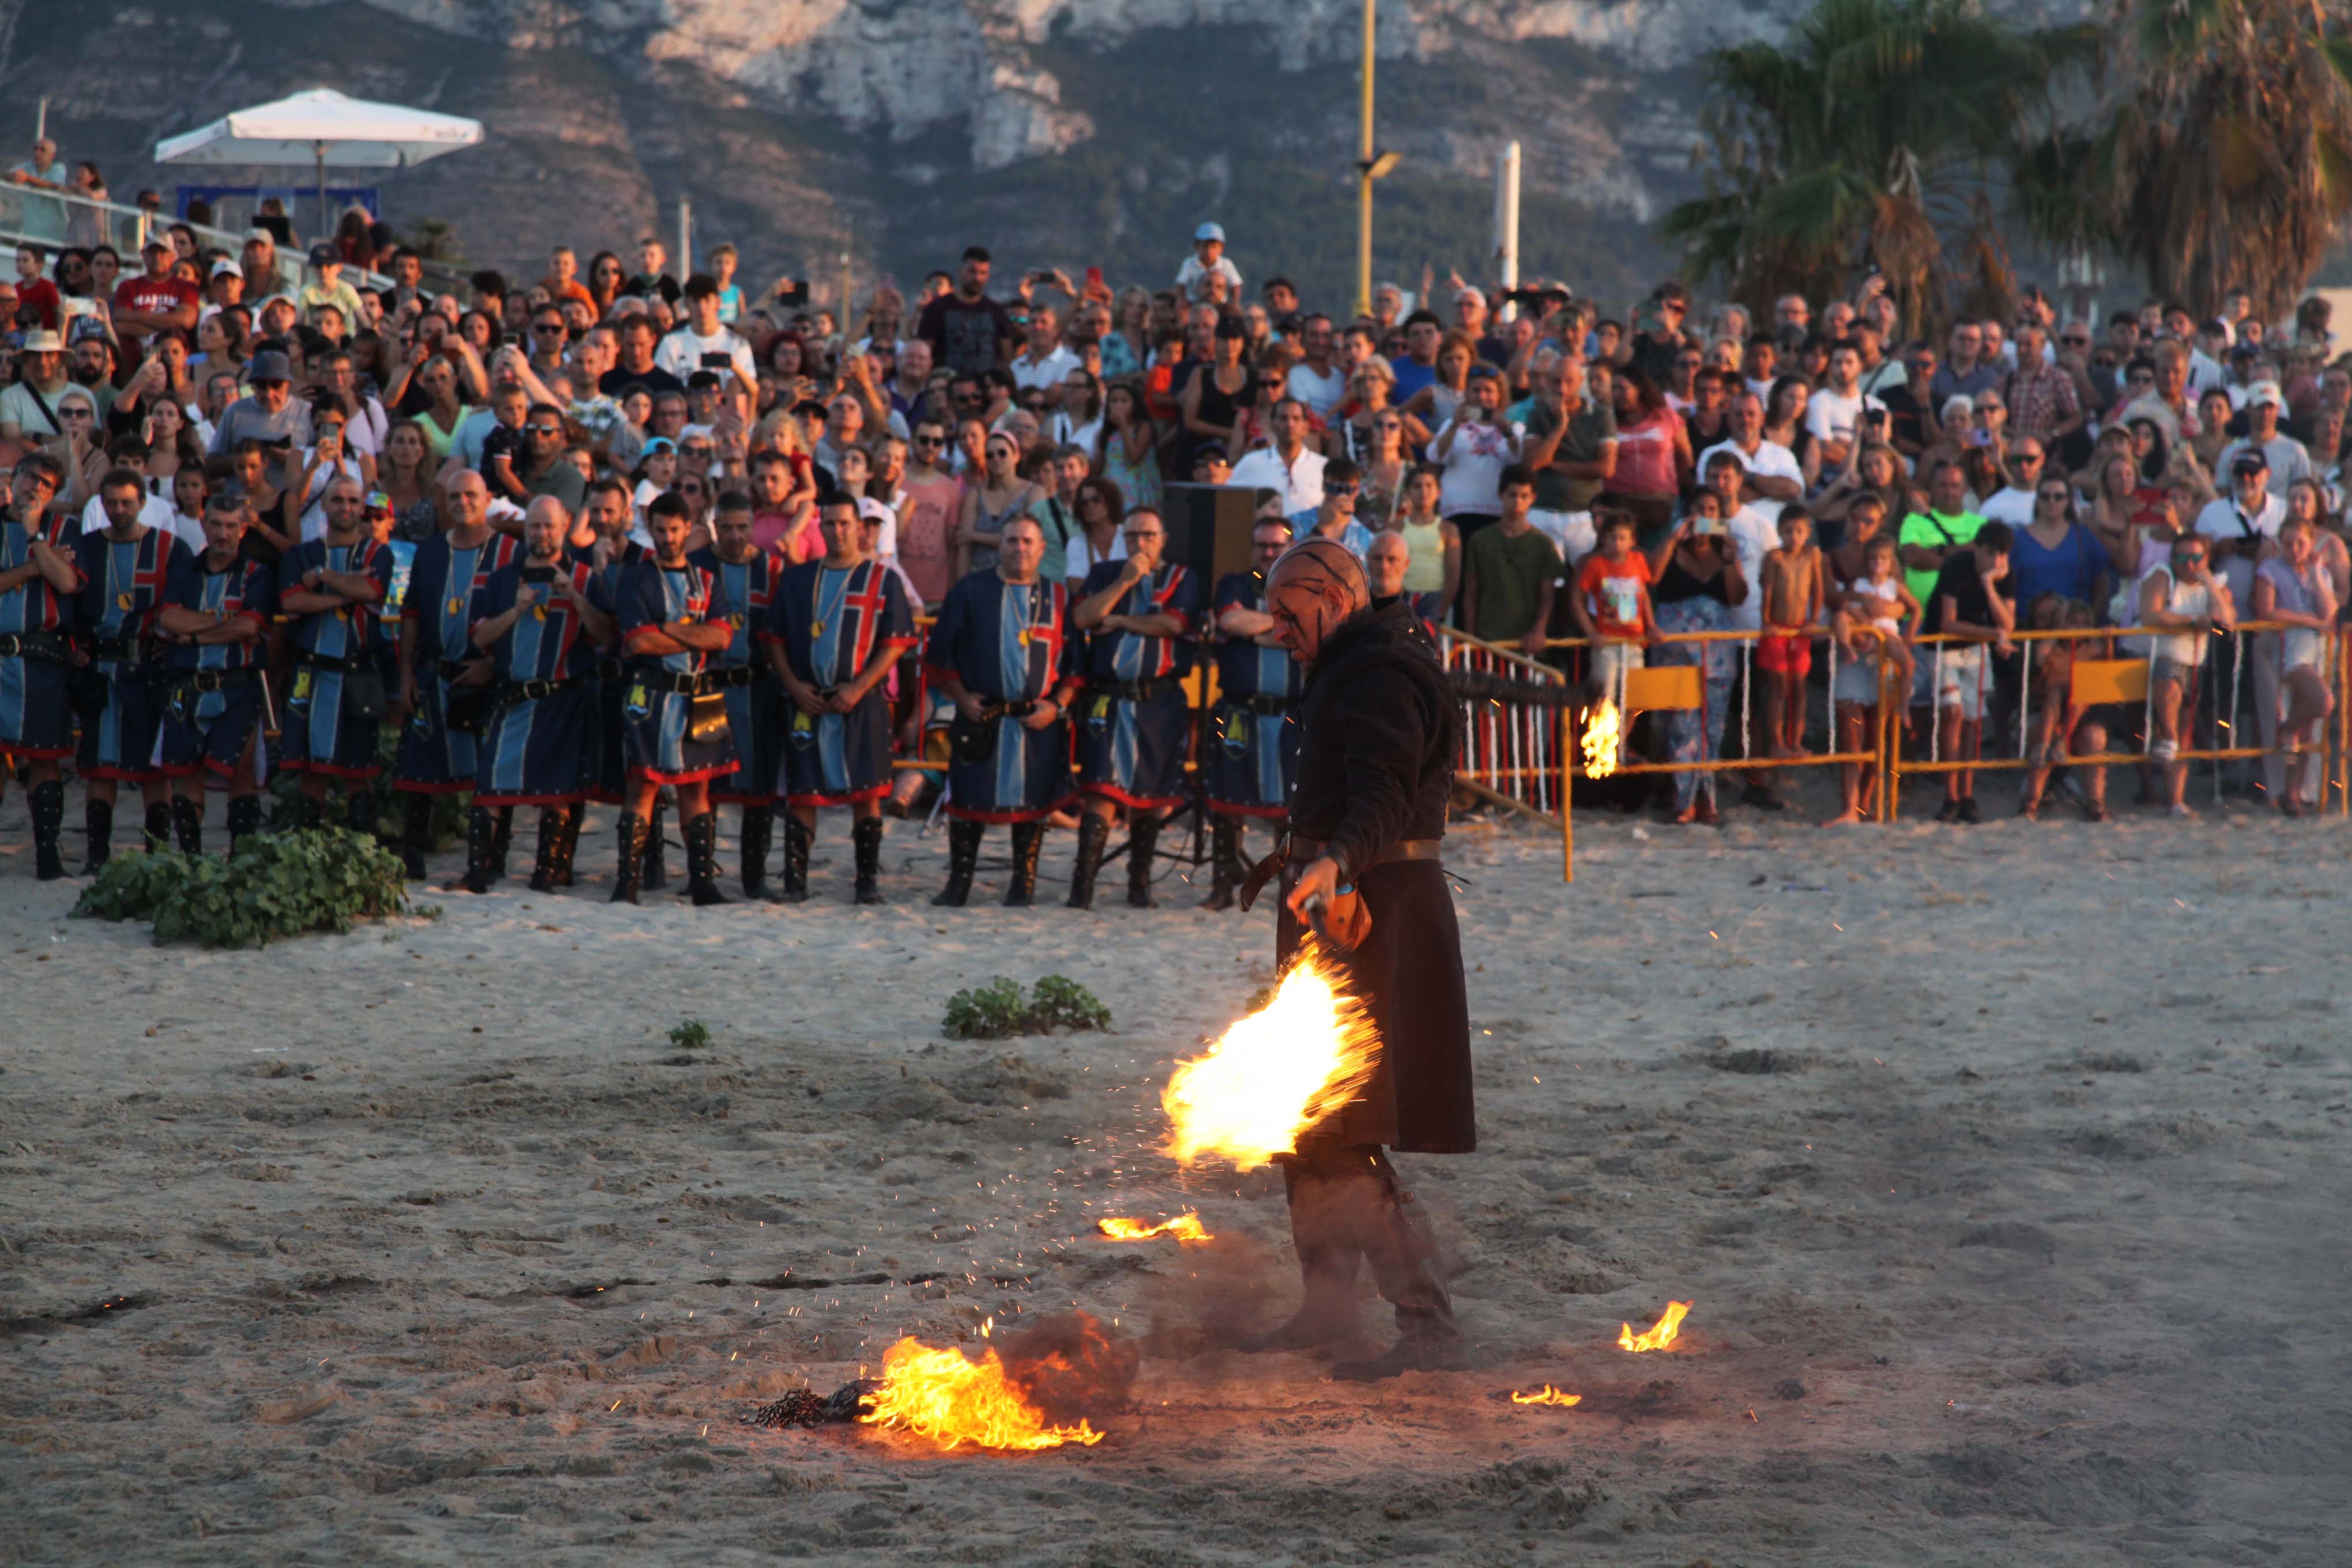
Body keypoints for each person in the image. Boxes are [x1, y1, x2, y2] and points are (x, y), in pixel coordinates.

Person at [1243, 536, 1469, 1381]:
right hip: (1333, 903)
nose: (1276, 630)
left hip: (1376, 913)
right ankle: (1329, 1311)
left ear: (1333, 598)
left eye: (1286, 612)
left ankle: (1428, 1328)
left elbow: (1388, 790)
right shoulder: (1361, 658)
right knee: (1308, 1121)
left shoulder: (1381, 672)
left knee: (1347, 1123)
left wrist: (1337, 861)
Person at [761, 490, 918, 903]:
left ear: (861, 527)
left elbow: (895, 643)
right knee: (803, 793)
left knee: (866, 793)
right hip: (807, 700)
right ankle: (796, 883)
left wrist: (859, 686)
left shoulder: (883, 580)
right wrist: (794, 685)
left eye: (844, 523)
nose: (836, 531)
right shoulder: (798, 579)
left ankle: (866, 884)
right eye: (828, 523)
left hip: (861, 702)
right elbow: (773, 638)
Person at [924, 514, 1082, 904]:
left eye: (1028, 542)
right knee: (969, 801)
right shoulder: (970, 591)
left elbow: (1076, 667)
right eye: (1012, 541)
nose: (1020, 548)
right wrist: (961, 698)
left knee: (1033, 806)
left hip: (1036, 722)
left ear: (1042, 549)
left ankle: (1022, 886)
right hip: (983, 719)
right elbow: (941, 653)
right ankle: (959, 885)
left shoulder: (1059, 597)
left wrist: (1056, 706)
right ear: (1000, 545)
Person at [465, 495, 614, 891]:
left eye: (549, 526)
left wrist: (576, 598)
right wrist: (514, 612)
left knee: (558, 789)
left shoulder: (583, 578)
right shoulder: (500, 579)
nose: (541, 534)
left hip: (563, 698)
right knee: (491, 783)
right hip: (511, 696)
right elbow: (480, 636)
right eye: (534, 526)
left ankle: (550, 869)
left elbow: (606, 635)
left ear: (564, 525)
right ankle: (481, 868)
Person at [1068, 506, 1200, 908]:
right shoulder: (1107, 573)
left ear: (1163, 539)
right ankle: (1083, 884)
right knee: (1102, 789)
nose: (1139, 544)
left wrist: (1122, 621)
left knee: (1151, 794)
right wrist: (1124, 584)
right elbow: (1083, 618)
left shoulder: (1183, 577)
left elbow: (1174, 625)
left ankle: (1138, 883)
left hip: (1159, 698)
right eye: (1132, 536)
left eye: (1148, 536)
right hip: (1110, 696)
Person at [609, 493, 738, 904]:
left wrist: (669, 627)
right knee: (642, 786)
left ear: (689, 527)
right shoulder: (636, 577)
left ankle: (702, 883)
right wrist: (690, 633)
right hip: (651, 696)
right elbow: (639, 641)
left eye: (674, 530)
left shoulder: (708, 581)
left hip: (698, 697)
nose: (667, 538)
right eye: (660, 531)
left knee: (696, 789)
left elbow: (721, 637)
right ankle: (626, 884)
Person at [390, 471, 520, 879]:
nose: (463, 502)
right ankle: (413, 855)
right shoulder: (429, 552)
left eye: (471, 495)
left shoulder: (511, 552)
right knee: (420, 766)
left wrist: (494, 664)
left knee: (491, 771)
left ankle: (491, 858)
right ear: (445, 502)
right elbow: (410, 614)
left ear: (487, 500)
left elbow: (523, 621)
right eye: (455, 496)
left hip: (488, 679)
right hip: (434, 673)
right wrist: (406, 672)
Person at [69, 468, 190, 870]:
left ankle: (156, 856)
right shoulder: (85, 546)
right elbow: (69, 604)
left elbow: (180, 607)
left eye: (127, 502)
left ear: (143, 503)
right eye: (112, 503)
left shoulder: (170, 549)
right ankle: (97, 858)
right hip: (101, 667)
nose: (119, 510)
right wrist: (75, 649)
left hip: (149, 669)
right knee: (100, 764)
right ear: (102, 505)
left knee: (154, 768)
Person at [153, 491, 274, 855]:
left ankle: (241, 859)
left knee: (240, 771)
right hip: (187, 685)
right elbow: (168, 618)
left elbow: (249, 628)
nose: (224, 533)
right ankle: (192, 860)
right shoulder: (184, 570)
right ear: (204, 525)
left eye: (232, 526)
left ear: (243, 530)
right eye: (217, 525)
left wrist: (191, 635)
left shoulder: (258, 573)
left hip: (238, 684)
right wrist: (223, 620)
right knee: (186, 772)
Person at [683, 492, 790, 896]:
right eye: (725, 527)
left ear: (753, 526)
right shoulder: (697, 568)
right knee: (704, 782)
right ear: (714, 527)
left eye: (742, 527)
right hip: (711, 692)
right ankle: (702, 875)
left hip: (759, 691)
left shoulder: (772, 569)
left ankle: (754, 878)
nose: (734, 535)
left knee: (759, 785)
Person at [276, 476, 395, 829]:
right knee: (310, 770)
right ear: (324, 505)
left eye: (353, 501)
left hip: (358, 673)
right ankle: (307, 848)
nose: (346, 508)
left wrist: (323, 576)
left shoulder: (378, 553)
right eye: (338, 500)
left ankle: (362, 849)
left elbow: (372, 591)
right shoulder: (302, 553)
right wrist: (347, 593)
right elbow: (292, 599)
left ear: (362, 508)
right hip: (310, 673)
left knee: (359, 770)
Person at [1201, 517, 1305, 908]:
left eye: (1276, 546)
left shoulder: (1305, 588)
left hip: (1290, 715)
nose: (1268, 552)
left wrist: (1258, 633)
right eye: (1261, 546)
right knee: (1228, 803)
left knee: (1290, 807)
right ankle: (1223, 888)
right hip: (1240, 714)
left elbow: (1310, 631)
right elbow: (1231, 620)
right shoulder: (1234, 584)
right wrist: (1284, 628)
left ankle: (1289, 890)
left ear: (1289, 548)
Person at [0, 455, 83, 877]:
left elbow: (67, 582)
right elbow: (50, 573)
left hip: (41, 656)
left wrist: (36, 535)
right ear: (14, 478)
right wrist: (39, 566)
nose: (37, 487)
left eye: (48, 484)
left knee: (45, 758)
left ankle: (47, 853)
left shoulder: (63, 529)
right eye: (32, 476)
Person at [1649, 489, 1750, 824]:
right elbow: (1651, 575)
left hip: (1717, 657)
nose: (1705, 515)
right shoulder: (1674, 547)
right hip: (1676, 652)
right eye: (1699, 508)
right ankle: (1682, 800)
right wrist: (1674, 537)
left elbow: (1737, 597)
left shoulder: (1725, 553)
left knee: (1713, 727)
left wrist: (1730, 560)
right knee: (1680, 725)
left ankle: (1707, 798)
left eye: (1711, 509)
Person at [1923, 519, 2016, 823]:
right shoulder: (1956, 566)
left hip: (1975, 650)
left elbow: (2009, 624)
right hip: (1943, 647)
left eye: (2002, 555)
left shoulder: (2004, 575)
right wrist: (1993, 636)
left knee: (1973, 724)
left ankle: (1967, 795)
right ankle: (1950, 795)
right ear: (1978, 549)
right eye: (1991, 553)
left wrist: (1990, 586)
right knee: (1952, 714)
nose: (1997, 561)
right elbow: (1947, 623)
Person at [2139, 530, 2234, 817]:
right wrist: (2195, 621)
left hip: (2197, 661)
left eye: (2196, 558)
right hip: (2162, 655)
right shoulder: (2162, 576)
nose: (2189, 564)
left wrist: (2209, 583)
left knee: (2186, 731)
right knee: (2169, 692)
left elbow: (2227, 622)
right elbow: (2151, 614)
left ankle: (2176, 801)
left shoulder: (2213, 583)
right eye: (2182, 557)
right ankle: (2165, 738)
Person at [2251, 514, 2338, 813]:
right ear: (2280, 545)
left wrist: (2314, 573)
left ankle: (2293, 794)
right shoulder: (2270, 569)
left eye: (2300, 543)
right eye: (2288, 544)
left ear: (2310, 543)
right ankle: (2287, 731)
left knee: (2308, 726)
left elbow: (2330, 614)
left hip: (2315, 651)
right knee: (2322, 702)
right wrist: (2309, 620)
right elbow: (2268, 611)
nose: (2295, 549)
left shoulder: (2320, 574)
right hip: (2287, 651)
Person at [1458, 465, 1559, 656]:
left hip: (1527, 642)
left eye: (1524, 496)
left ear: (1533, 498)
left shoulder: (1544, 544)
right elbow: (1471, 593)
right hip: (1487, 639)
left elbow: (1548, 596)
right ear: (1500, 495)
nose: (1517, 503)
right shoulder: (1480, 540)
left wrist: (1539, 629)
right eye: (1512, 495)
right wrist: (1471, 637)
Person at [1756, 508, 1824, 758]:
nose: (1793, 537)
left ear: (1808, 533)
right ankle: (1777, 744)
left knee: (1799, 686)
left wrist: (1814, 619)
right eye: (1788, 531)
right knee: (1779, 686)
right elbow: (1769, 591)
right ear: (1779, 532)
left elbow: (1818, 589)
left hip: (1800, 628)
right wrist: (1765, 622)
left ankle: (1795, 742)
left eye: (1799, 531)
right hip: (1778, 628)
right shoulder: (1775, 557)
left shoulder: (1812, 555)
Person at [1570, 509, 1656, 702]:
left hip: (1634, 641)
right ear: (1603, 539)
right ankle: (1602, 733)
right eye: (1612, 538)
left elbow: (1643, 595)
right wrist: (1591, 632)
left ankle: (1622, 733)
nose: (1617, 543)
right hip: (1607, 641)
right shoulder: (1595, 564)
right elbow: (1577, 599)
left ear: (1633, 541)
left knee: (1634, 698)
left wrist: (1651, 626)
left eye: (1622, 538)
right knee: (1603, 695)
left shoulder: (1638, 561)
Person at [916, 246, 1017, 378]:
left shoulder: (997, 312)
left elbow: (1007, 358)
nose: (977, 278)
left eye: (983, 273)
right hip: (947, 388)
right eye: (972, 271)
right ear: (960, 272)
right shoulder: (936, 309)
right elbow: (924, 352)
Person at [1227, 398, 1327, 514]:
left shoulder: (1323, 466)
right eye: (1283, 418)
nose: (1290, 424)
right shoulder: (1251, 463)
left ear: (1306, 427)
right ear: (1272, 425)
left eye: (1296, 419)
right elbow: (1230, 504)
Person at [1176, 221, 1242, 304]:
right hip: (1194, 304)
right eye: (1205, 246)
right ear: (1196, 246)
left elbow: (1235, 286)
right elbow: (1181, 284)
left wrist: (1234, 304)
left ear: (1222, 248)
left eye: (1214, 247)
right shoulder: (1189, 263)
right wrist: (1182, 303)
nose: (1209, 251)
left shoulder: (1226, 264)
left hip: (1220, 304)